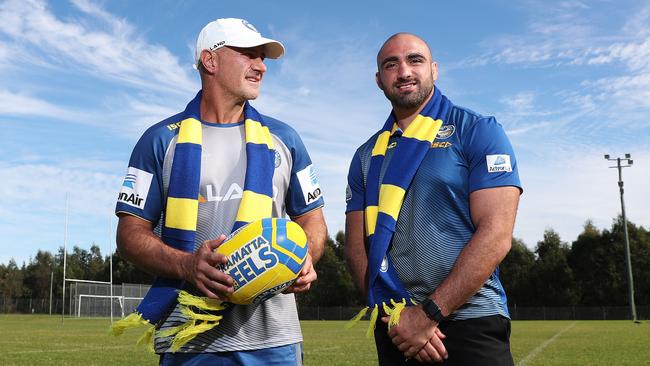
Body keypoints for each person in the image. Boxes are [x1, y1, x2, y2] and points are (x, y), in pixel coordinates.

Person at [114, 18, 326, 365]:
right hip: (188, 339)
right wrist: (186, 265)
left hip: (273, 340)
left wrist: (307, 257)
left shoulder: (286, 139)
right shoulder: (159, 140)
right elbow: (129, 235)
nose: (260, 66)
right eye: (248, 54)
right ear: (209, 60)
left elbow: (312, 221)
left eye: (263, 58)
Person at [344, 32, 522, 365]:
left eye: (415, 60)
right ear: (379, 80)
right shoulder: (366, 155)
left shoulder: (477, 130)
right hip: (395, 326)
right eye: (391, 64)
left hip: (471, 321)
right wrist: (395, 316)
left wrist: (428, 315)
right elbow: (356, 246)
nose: (404, 71)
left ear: (434, 69)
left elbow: (496, 235)